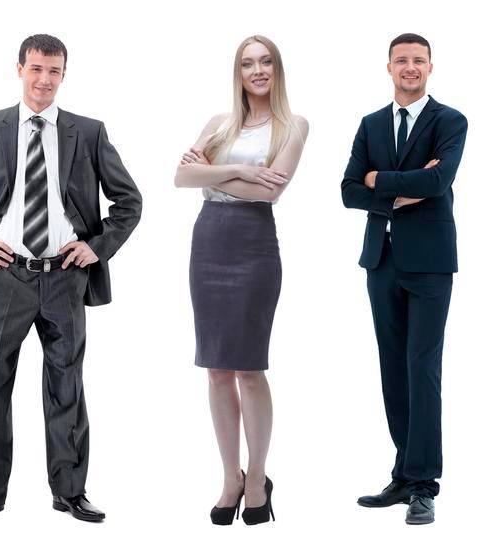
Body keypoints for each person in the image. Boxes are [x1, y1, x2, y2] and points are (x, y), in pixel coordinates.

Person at [0, 34, 142, 525]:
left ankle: (70, 491)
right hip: (5, 276)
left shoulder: (87, 132)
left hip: (65, 276)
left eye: (54, 71)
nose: (45, 79)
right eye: (37, 69)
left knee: (67, 384)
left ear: (64, 74)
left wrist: (95, 246)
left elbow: (129, 201)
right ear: (19, 68)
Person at [174, 35, 309, 526]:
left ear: (276, 69)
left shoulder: (293, 125)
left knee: (249, 367)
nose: (257, 70)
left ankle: (258, 476)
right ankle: (230, 475)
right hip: (209, 242)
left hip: (254, 248)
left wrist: (210, 171)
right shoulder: (218, 124)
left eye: (265, 62)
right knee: (215, 369)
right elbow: (179, 178)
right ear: (238, 71)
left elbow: (271, 194)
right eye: (248, 63)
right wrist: (235, 170)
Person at [342, 33, 465, 526]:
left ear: (431, 67)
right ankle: (402, 472)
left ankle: (424, 484)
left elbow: (439, 181)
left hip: (431, 262)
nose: (409, 67)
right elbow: (349, 189)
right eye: (401, 61)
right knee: (393, 368)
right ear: (388, 68)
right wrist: (393, 188)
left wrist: (379, 179)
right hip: (382, 260)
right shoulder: (371, 124)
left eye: (418, 60)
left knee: (422, 368)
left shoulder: (449, 121)